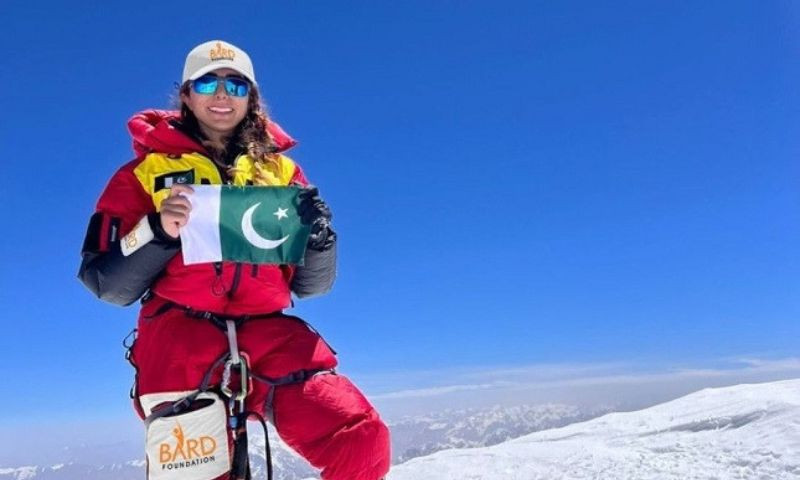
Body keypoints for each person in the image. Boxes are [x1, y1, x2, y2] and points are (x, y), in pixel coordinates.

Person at [78, 40, 390, 480]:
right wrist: (157, 230)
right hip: (179, 338)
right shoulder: (142, 174)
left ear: (252, 97)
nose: (222, 94)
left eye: (236, 84)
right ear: (186, 95)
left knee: (359, 439)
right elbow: (107, 283)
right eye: (207, 82)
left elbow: (311, 286)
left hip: (271, 333)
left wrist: (319, 240)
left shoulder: (282, 173)